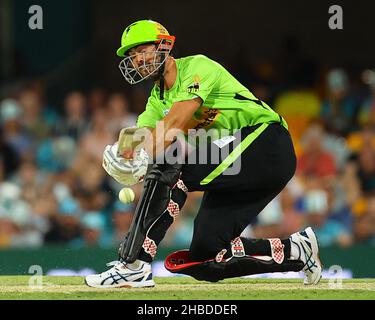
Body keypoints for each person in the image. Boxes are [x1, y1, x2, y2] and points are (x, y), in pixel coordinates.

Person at [85, 20, 322, 288]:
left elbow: (172, 125)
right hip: (237, 166)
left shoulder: (197, 67)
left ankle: (133, 264)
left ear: (164, 46)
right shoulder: (156, 99)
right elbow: (140, 133)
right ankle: (297, 251)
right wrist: (121, 151)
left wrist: (142, 156)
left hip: (268, 144)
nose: (138, 60)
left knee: (172, 163)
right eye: (132, 56)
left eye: (142, 50)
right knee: (207, 256)